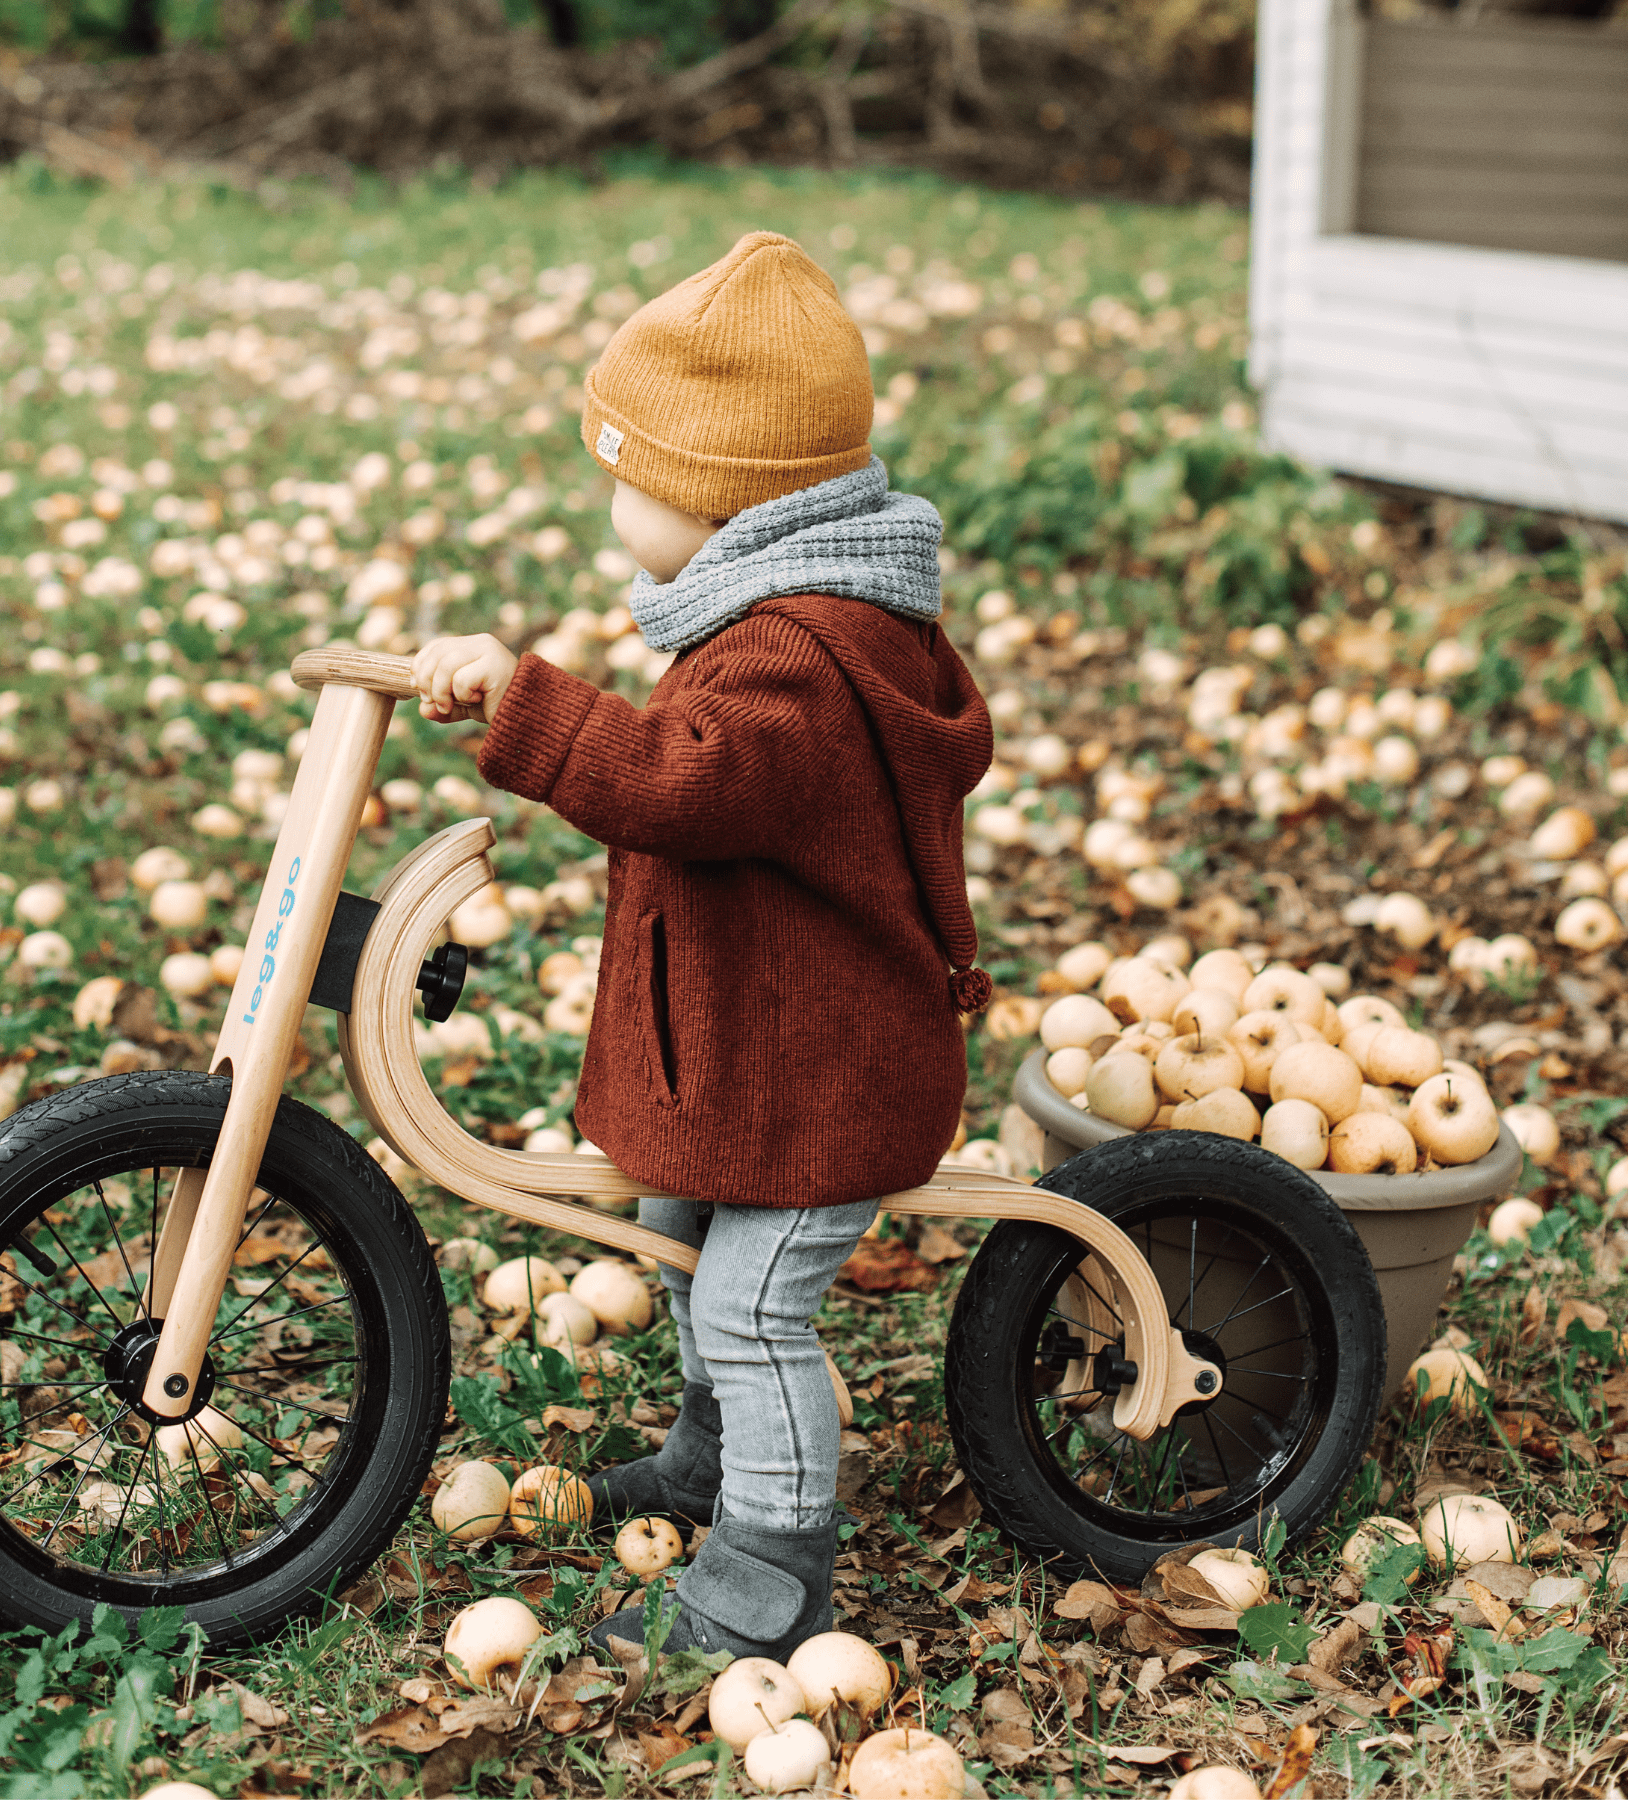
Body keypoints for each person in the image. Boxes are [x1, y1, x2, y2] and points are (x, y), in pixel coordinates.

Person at [411, 230, 994, 1663]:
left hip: (824, 1087)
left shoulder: (801, 654)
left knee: (747, 1313)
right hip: (755, 1061)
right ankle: (704, 1464)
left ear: (730, 504)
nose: (617, 511)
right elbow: (688, 749)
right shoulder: (774, 618)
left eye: (634, 482)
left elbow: (685, 776)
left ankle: (776, 1569)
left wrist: (532, 709)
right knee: (676, 1245)